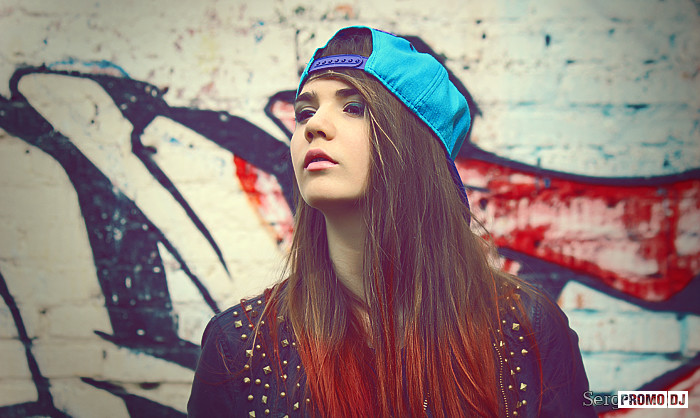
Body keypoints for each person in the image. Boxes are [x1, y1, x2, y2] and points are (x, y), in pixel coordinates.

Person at [187, 26, 594, 417]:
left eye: (353, 107)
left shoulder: (526, 329)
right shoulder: (238, 346)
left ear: (416, 144)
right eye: (305, 112)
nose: (314, 126)